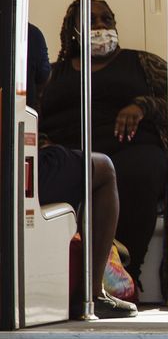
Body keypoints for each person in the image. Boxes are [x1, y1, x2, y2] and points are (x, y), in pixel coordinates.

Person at [39, 0, 168, 293]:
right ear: (73, 31)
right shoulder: (53, 74)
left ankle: (126, 273)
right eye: (91, 21)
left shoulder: (143, 64)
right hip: (74, 153)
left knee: (139, 171)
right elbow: (30, 115)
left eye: (106, 19)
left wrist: (144, 106)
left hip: (133, 151)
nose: (101, 26)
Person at [27, 22, 135, 318]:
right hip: (17, 164)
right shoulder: (26, 34)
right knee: (103, 168)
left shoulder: (140, 64)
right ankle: (92, 292)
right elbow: (34, 94)